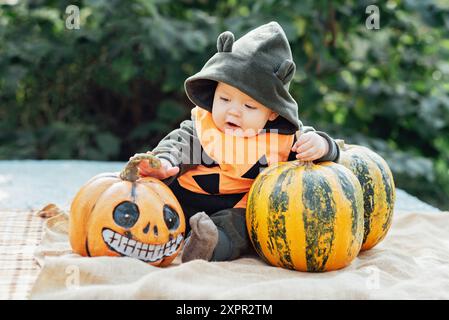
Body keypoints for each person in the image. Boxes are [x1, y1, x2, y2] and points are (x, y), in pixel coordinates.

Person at [137, 21, 340, 263]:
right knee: (157, 199)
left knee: (244, 227)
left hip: (237, 209)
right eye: (224, 99)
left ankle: (209, 245)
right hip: (184, 197)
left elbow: (323, 154)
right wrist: (162, 162)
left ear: (272, 112)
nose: (234, 112)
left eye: (249, 106)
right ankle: (149, 231)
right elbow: (177, 145)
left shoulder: (283, 140)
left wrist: (323, 145)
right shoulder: (204, 127)